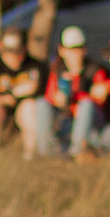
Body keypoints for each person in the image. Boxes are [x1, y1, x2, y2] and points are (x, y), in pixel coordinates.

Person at [0, 30, 44, 156]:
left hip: (23, 115)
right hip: (0, 115)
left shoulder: (33, 66)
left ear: (24, 50)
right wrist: (13, 94)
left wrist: (12, 97)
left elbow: (38, 94)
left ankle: (30, 156)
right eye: (9, 52)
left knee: (30, 107)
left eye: (17, 52)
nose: (14, 56)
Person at [33, 26, 98, 157]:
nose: (75, 54)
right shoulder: (57, 71)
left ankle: (78, 151)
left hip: (89, 125)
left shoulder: (94, 70)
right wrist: (57, 100)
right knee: (41, 103)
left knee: (86, 104)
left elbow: (102, 96)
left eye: (78, 49)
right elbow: (49, 97)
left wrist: (81, 98)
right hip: (66, 121)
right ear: (62, 51)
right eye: (70, 49)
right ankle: (48, 151)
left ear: (84, 50)